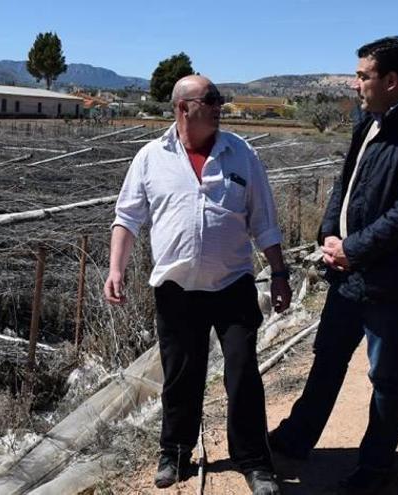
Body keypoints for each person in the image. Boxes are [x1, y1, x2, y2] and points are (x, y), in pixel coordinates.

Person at [267, 36, 398, 493]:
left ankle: (376, 466)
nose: (355, 84)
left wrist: (353, 248)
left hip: (390, 280)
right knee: (327, 357)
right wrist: (329, 234)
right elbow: (347, 180)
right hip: (348, 271)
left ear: (392, 81)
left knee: (386, 376)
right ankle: (298, 438)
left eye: (362, 76)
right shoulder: (372, 119)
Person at [104, 74, 291, 494]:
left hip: (232, 285)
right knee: (180, 376)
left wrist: (279, 273)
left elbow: (264, 221)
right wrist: (116, 268)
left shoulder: (241, 155)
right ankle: (174, 451)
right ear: (183, 107)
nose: (220, 105)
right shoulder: (152, 157)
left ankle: (255, 462)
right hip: (176, 290)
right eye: (212, 99)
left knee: (242, 373)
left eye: (219, 98)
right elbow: (128, 217)